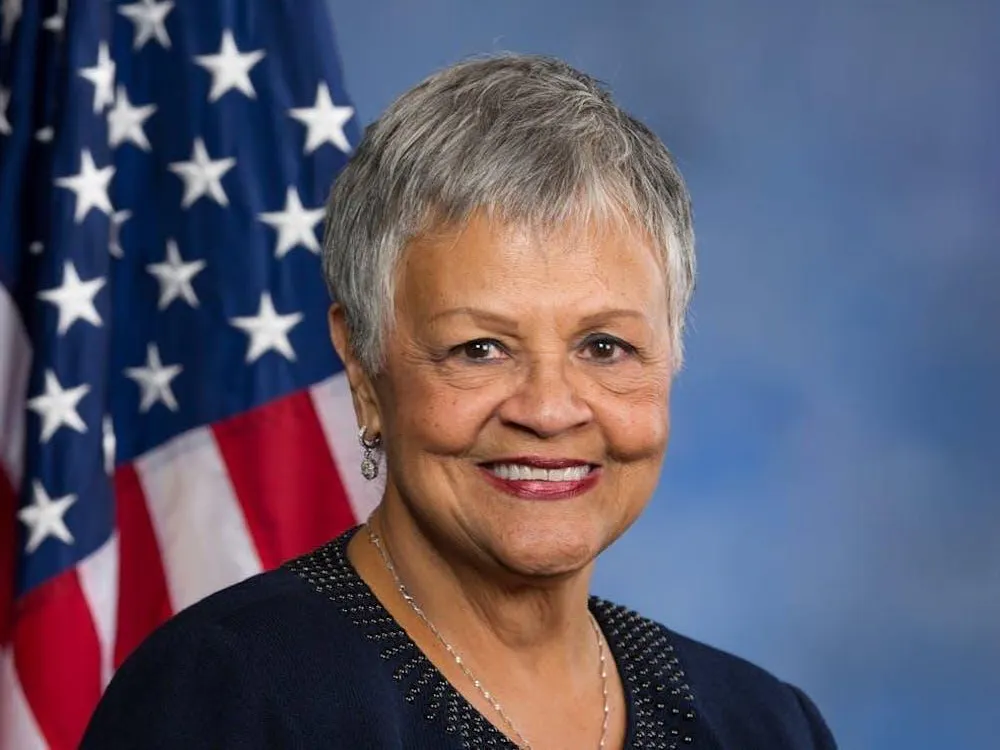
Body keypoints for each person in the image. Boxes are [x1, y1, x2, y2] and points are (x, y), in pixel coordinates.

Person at [81, 54, 837, 749]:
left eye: (604, 347)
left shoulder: (762, 724)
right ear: (362, 363)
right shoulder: (227, 699)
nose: (548, 409)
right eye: (480, 349)